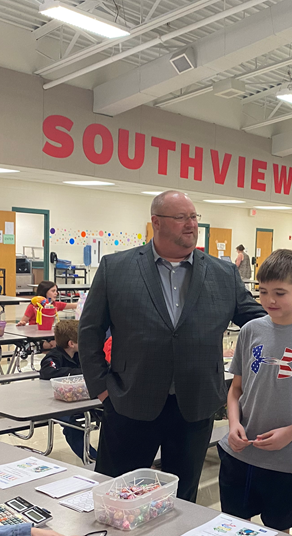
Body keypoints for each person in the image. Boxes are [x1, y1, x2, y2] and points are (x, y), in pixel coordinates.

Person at [79, 190, 266, 502]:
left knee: (182, 499)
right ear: (156, 222)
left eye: (193, 217)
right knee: (116, 496)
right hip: (129, 401)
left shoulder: (223, 273)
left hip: (195, 406)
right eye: (181, 218)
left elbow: (256, 320)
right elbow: (89, 331)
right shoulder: (116, 268)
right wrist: (101, 388)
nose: (191, 224)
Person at [219, 249, 292, 531]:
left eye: (280, 293)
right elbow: (236, 389)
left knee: (278, 535)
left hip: (287, 458)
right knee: (234, 529)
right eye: (263, 292)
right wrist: (234, 424)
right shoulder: (250, 330)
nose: (269, 300)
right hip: (241, 451)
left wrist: (290, 433)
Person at [39, 319, 98, 462]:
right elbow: (47, 371)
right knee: (71, 427)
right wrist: (76, 372)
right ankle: (93, 459)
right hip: (57, 402)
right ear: (71, 343)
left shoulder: (80, 354)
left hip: (80, 398)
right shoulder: (54, 356)